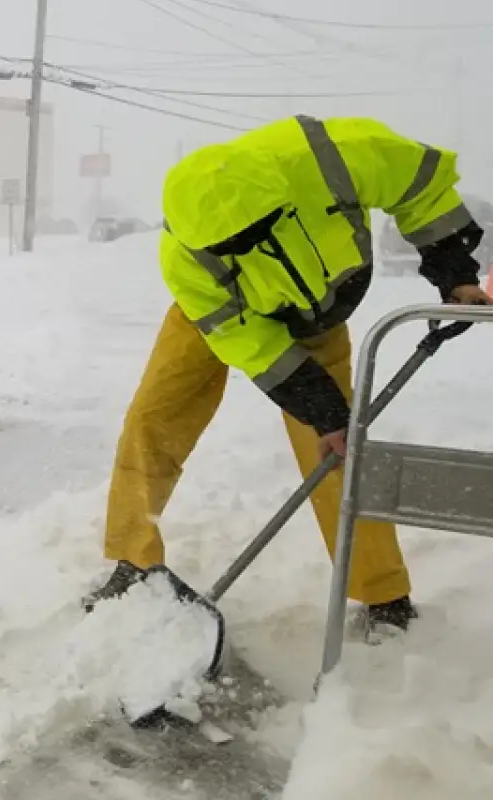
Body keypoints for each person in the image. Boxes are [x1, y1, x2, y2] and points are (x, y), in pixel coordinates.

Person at [82, 115, 492, 636]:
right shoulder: (186, 258)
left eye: (256, 233)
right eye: (231, 245)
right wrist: (319, 408)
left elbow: (422, 184)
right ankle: (132, 562)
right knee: (152, 423)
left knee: (343, 450)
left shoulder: (334, 156)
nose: (246, 247)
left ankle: (384, 594)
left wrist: (454, 275)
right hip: (222, 318)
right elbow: (248, 341)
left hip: (320, 317)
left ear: (280, 197)